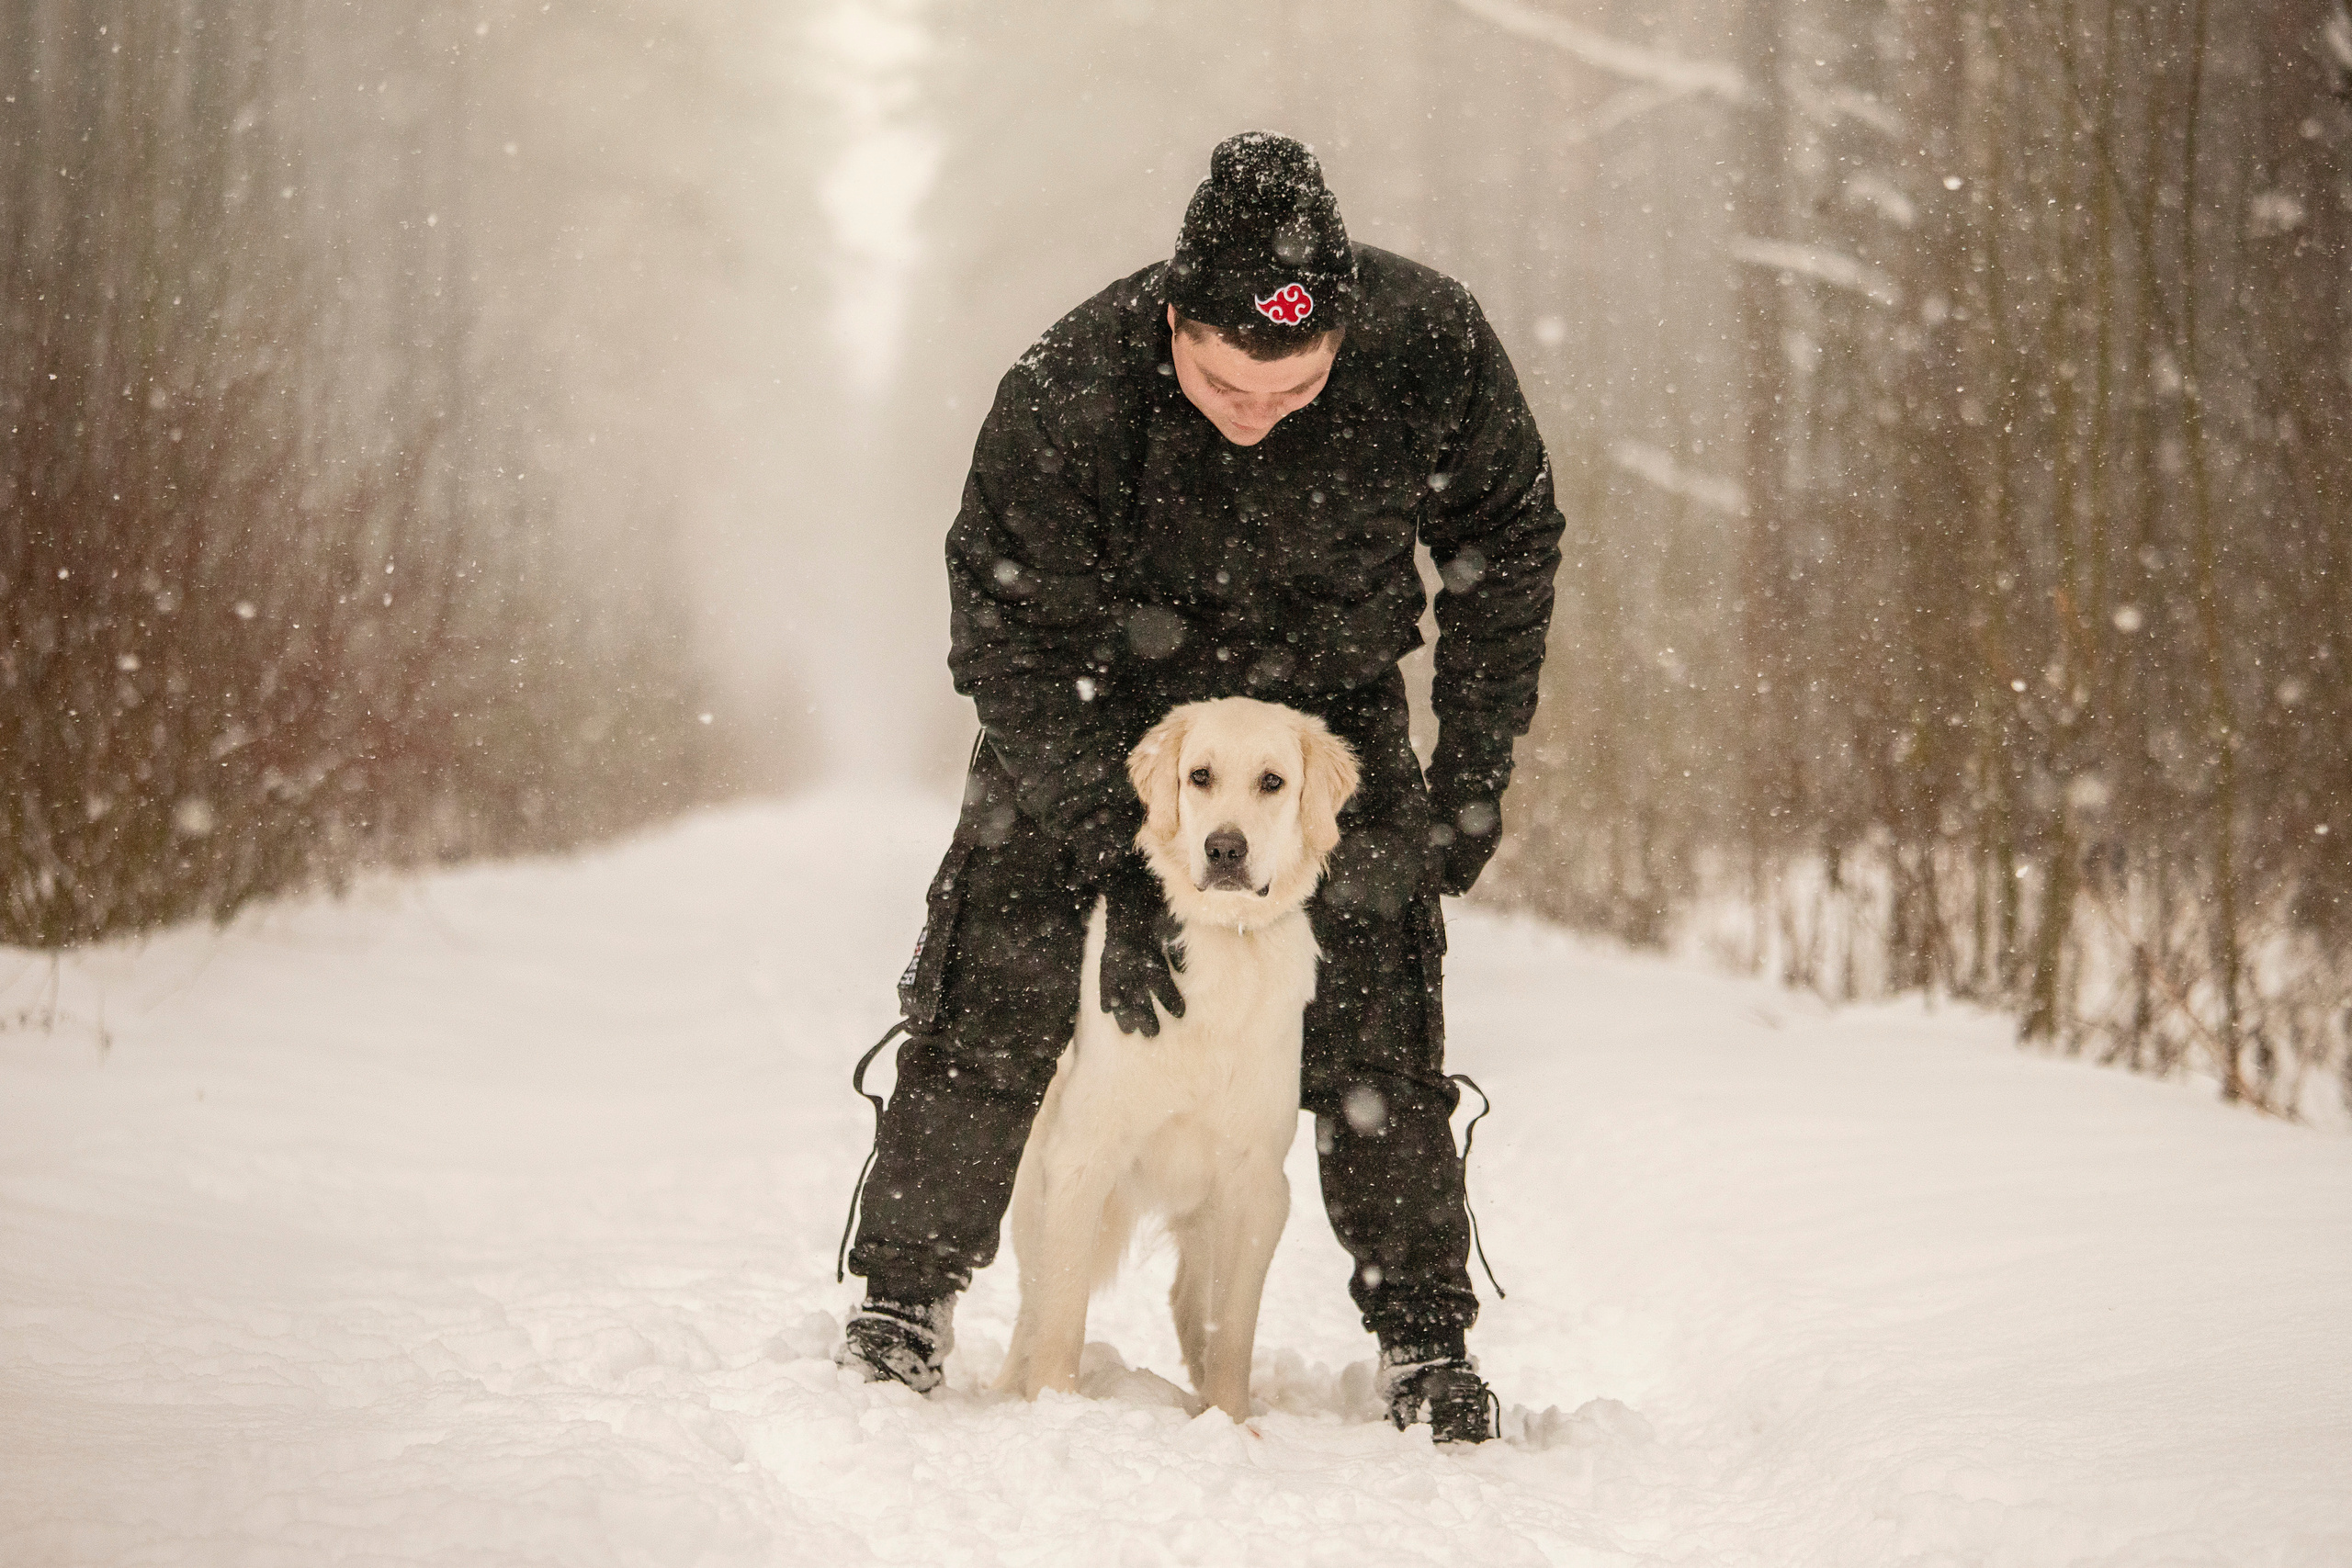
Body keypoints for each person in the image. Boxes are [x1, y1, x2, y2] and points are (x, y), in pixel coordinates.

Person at [836, 131, 1564, 1445]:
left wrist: (1470, 772)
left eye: (1293, 390)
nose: (1255, 413)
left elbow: (1508, 548)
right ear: (1173, 316)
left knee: (1378, 1016)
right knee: (999, 977)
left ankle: (1423, 1339)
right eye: (1225, 380)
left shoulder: (1430, 346)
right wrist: (1114, 844)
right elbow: (1003, 632)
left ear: (1341, 334)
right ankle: (903, 1297)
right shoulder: (1070, 390)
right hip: (1096, 719)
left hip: (1327, 712)